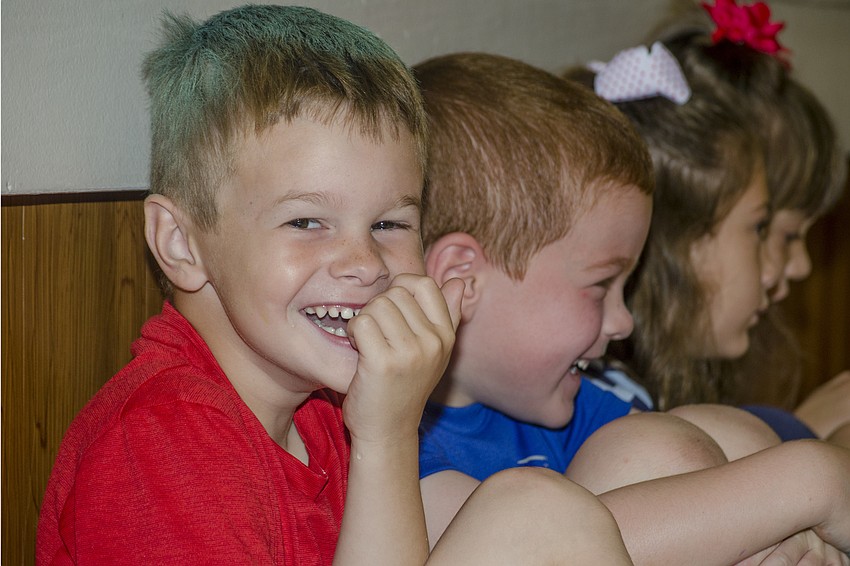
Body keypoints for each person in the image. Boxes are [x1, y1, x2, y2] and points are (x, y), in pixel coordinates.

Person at [35, 7, 636, 565]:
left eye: (388, 224)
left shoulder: (319, 415)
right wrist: (389, 434)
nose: (366, 262)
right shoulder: (161, 446)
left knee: (539, 514)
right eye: (306, 222)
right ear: (180, 243)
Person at [416, 51, 850, 565]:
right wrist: (811, 482)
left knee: (721, 435)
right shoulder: (396, 438)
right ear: (462, 280)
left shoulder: (572, 405)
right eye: (601, 286)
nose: (624, 321)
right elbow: (541, 550)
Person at [574, 0, 849, 445]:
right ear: (678, 231)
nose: (798, 267)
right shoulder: (610, 409)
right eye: (775, 231)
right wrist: (799, 434)